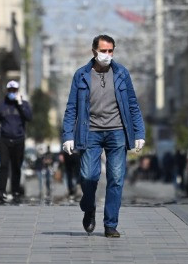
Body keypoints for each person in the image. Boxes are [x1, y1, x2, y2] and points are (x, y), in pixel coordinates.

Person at [61, 34, 146, 238]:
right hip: (90, 132)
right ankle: (89, 207)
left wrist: (139, 132)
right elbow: (71, 107)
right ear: (94, 51)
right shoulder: (81, 75)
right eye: (103, 51)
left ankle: (110, 225)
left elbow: (133, 105)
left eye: (110, 51)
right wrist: (67, 136)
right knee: (88, 176)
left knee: (116, 178)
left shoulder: (122, 73)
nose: (107, 55)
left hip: (117, 131)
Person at [0, 80, 32, 203]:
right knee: (3, 166)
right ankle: (2, 191)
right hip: (5, 140)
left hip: (19, 140)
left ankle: (15, 192)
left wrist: (20, 104)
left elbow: (29, 117)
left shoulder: (24, 104)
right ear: (7, 91)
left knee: (16, 167)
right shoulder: (1, 105)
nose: (12, 92)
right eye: (10, 90)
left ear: (17, 91)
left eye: (14, 90)